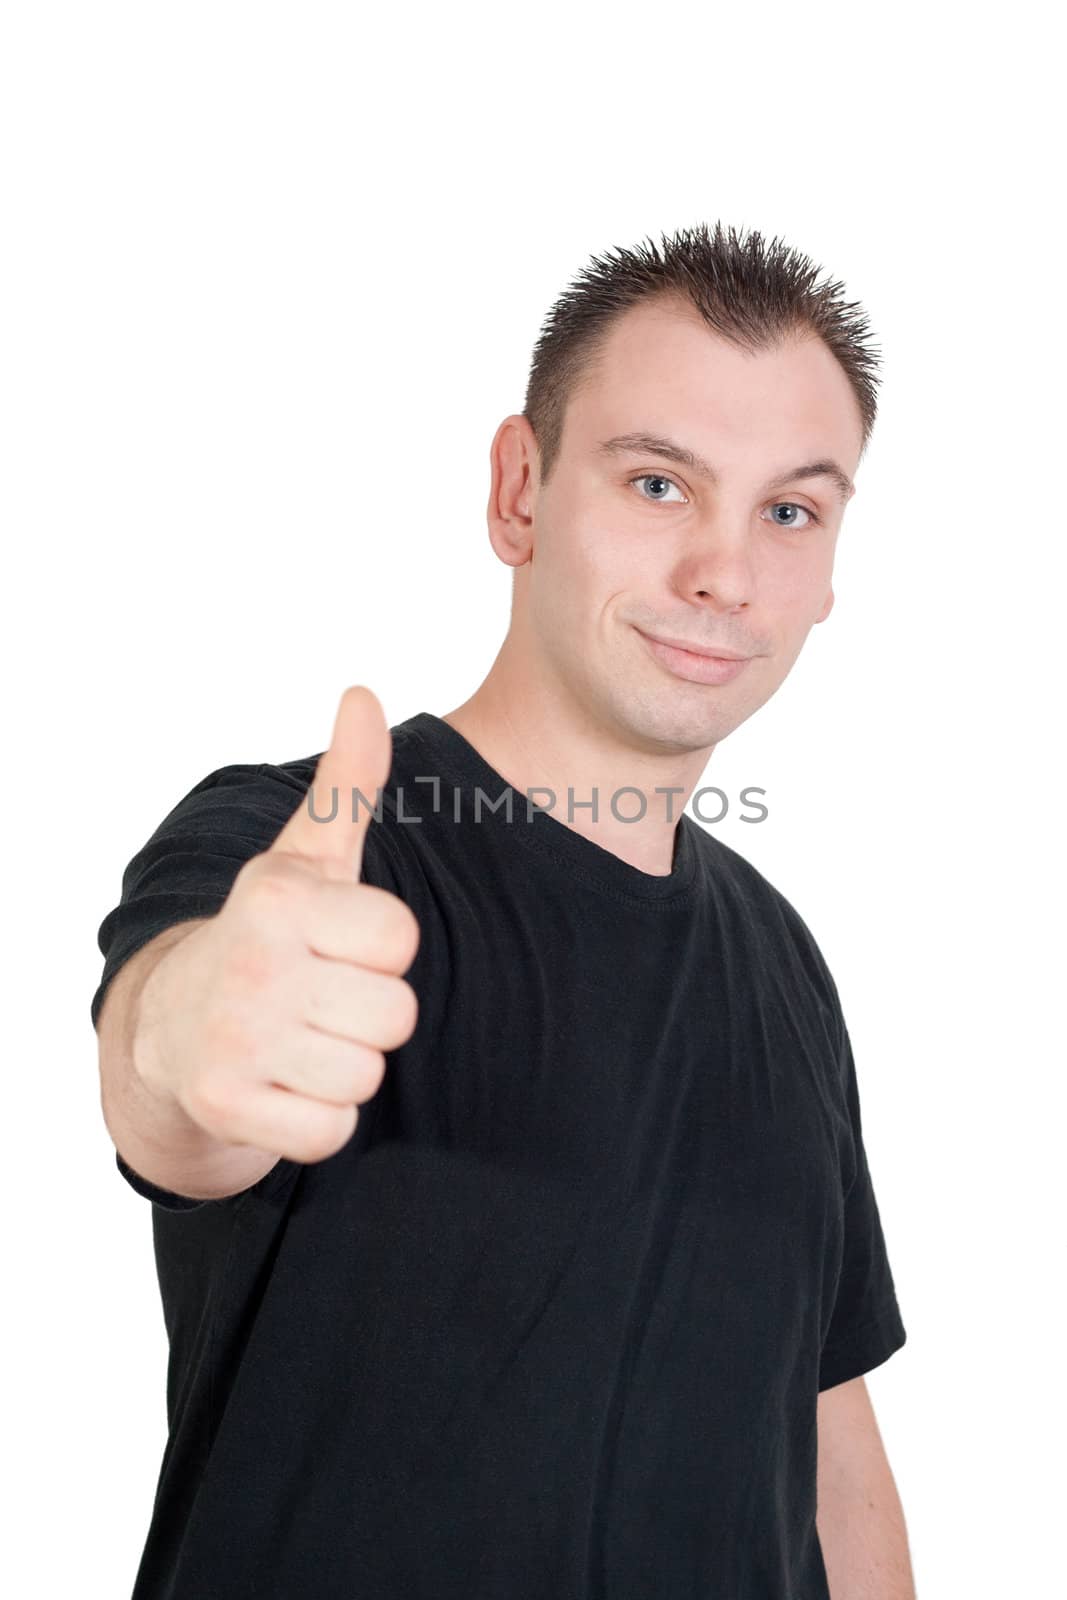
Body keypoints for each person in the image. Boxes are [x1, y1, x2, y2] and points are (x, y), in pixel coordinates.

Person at [92, 221, 914, 1599]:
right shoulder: (311, 853)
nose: (725, 573)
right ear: (520, 494)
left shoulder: (786, 966)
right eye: (659, 483)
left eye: (790, 510)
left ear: (830, 565)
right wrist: (186, 1043)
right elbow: (168, 1088)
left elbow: (830, 1444)